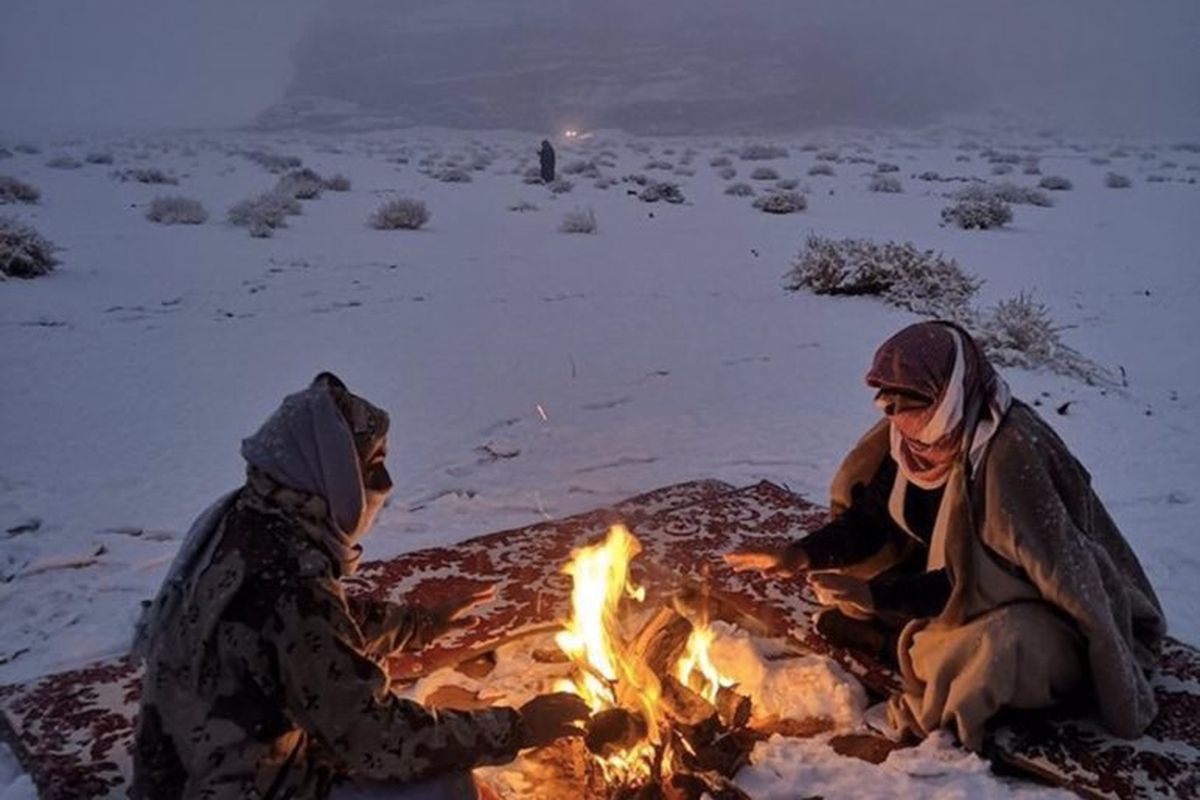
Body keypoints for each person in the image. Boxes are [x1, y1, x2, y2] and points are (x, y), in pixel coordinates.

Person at [130, 373, 588, 800]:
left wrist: (416, 624)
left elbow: (304, 642)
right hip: (235, 785)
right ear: (328, 468)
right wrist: (518, 728)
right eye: (371, 467)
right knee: (445, 786)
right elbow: (375, 737)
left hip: (184, 767)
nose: (382, 486)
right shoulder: (288, 577)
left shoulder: (242, 518)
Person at [726, 321, 1165, 751]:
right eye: (886, 401)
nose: (894, 414)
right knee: (852, 571)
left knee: (996, 649)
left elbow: (985, 581)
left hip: (1032, 605)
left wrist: (877, 598)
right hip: (949, 579)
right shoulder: (914, 437)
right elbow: (871, 520)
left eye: (908, 400)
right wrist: (799, 555)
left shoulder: (1009, 456)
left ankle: (902, 648)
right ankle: (904, 641)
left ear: (949, 393)